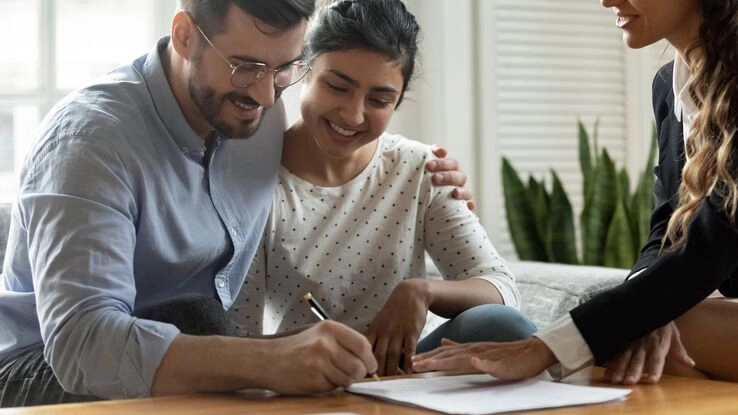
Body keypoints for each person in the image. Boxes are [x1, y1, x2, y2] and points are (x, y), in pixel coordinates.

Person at [0, 0, 470, 407]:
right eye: (246, 66)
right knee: (198, 319)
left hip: (193, 346)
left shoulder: (255, 112)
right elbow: (83, 347)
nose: (266, 94)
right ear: (185, 36)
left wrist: (427, 172)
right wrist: (266, 360)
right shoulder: (90, 141)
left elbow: (338, 153)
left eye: (285, 67)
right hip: (35, 367)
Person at [413, 0, 738, 385]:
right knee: (637, 331)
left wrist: (544, 347)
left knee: (644, 325)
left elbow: (709, 249)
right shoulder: (669, 86)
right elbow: (665, 230)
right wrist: (647, 310)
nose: (607, 0)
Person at [228, 0, 536, 377]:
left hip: (402, 376)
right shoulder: (253, 182)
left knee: (502, 327)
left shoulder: (422, 170)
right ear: (302, 71)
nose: (353, 115)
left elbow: (502, 289)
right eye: (338, 87)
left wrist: (421, 292)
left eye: (379, 100)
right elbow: (237, 336)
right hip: (299, 377)